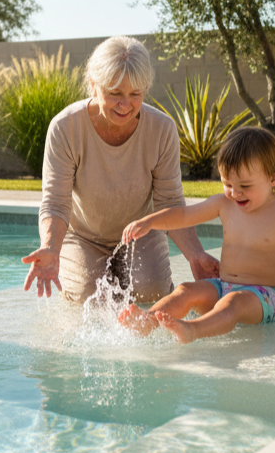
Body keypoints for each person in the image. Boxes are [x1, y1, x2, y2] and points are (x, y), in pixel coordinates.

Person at [22, 36, 219, 303]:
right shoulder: (65, 127)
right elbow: (56, 202)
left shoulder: (162, 129)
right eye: (115, 93)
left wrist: (196, 255)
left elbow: (170, 202)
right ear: (93, 85)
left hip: (141, 234)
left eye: (135, 94)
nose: (125, 105)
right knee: (87, 296)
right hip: (84, 236)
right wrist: (50, 248)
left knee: (151, 291)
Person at [118, 126, 275, 342]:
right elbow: (183, 216)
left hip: (267, 296)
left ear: (273, 178)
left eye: (245, 185)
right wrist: (150, 221)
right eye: (227, 184)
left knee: (233, 302)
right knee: (185, 290)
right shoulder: (225, 204)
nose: (235, 193)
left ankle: (192, 330)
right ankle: (147, 322)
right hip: (223, 285)